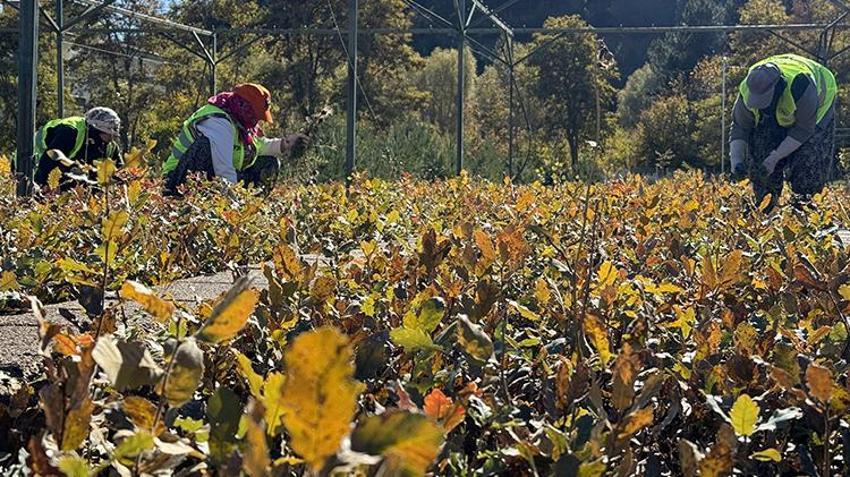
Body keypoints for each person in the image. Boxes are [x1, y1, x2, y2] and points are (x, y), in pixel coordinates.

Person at [729, 53, 837, 211]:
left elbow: (803, 130)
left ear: (777, 87)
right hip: (781, 115)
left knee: (808, 164)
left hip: (817, 111)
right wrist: (736, 161)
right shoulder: (748, 87)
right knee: (761, 160)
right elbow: (740, 126)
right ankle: (765, 207)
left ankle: (805, 210)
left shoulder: (801, 85)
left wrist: (775, 158)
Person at [162, 83, 309, 194]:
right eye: (255, 115)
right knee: (205, 148)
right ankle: (191, 202)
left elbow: (256, 146)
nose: (257, 121)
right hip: (177, 179)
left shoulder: (241, 124)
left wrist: (285, 144)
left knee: (270, 161)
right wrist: (235, 211)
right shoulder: (218, 121)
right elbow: (223, 170)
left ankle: (253, 206)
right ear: (244, 107)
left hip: (212, 178)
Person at [30, 107, 122, 190]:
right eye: (108, 134)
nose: (111, 139)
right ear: (95, 130)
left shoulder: (111, 147)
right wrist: (41, 188)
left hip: (66, 170)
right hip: (33, 160)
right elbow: (51, 156)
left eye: (113, 135)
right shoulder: (69, 131)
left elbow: (121, 171)